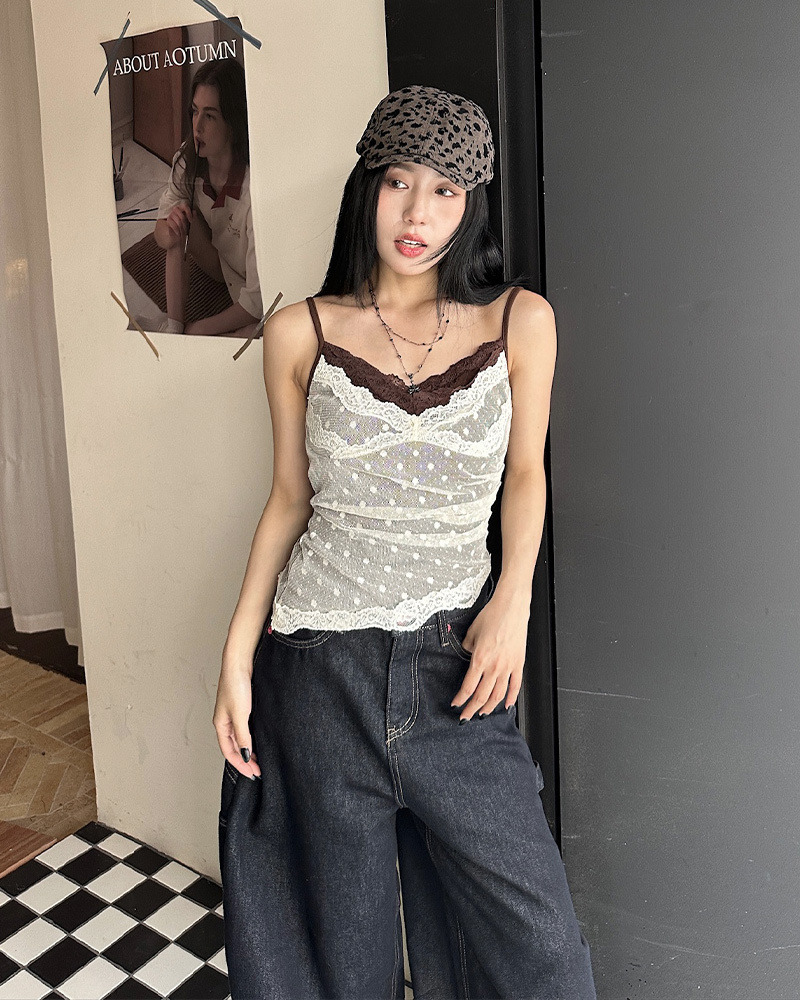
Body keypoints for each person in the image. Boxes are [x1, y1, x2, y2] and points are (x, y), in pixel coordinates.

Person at [213, 85, 596, 999]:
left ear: (470, 207)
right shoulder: (299, 331)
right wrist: (234, 657)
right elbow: (288, 501)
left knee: (541, 948)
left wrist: (513, 602)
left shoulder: (520, 321)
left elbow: (527, 475)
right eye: (398, 182)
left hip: (456, 668)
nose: (417, 213)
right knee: (346, 962)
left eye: (445, 191)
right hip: (317, 670)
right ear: (368, 189)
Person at [153, 57, 262, 338]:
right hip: (221, 262)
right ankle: (173, 329)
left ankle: (193, 338)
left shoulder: (255, 189)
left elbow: (257, 302)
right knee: (178, 220)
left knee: (264, 332)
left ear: (233, 124)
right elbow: (161, 234)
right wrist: (170, 228)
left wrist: (200, 330)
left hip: (255, 284)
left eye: (210, 116)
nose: (197, 126)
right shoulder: (188, 159)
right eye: (195, 111)